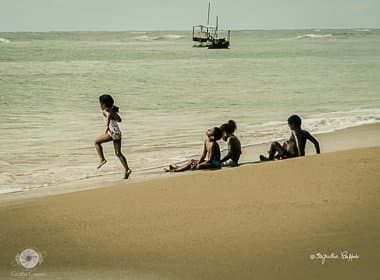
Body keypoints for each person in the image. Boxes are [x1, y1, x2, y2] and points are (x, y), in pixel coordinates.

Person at [95, 94, 132, 179]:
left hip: (112, 133)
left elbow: (108, 118)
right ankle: (127, 170)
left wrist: (107, 124)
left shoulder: (105, 111)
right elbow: (119, 120)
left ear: (103, 104)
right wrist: (111, 112)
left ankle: (102, 159)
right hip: (117, 133)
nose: (100, 105)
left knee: (96, 142)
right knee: (118, 153)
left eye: (100, 104)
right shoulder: (112, 111)